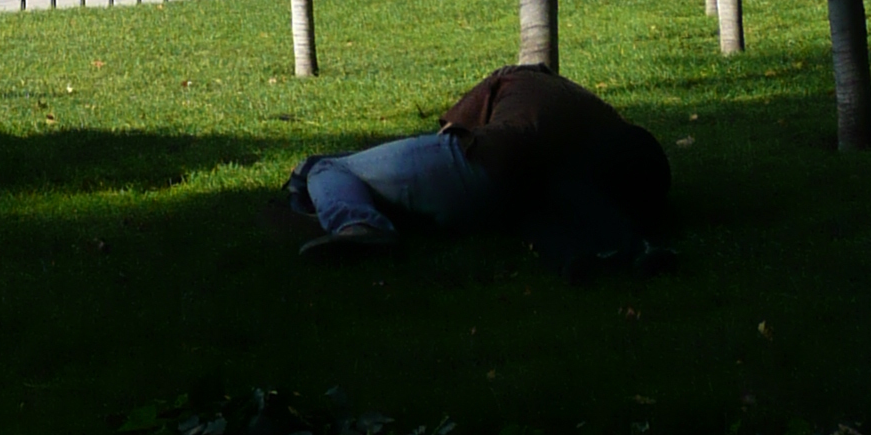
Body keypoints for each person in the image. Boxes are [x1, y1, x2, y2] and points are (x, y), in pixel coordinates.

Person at [285, 64, 674, 278]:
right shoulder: (587, 109)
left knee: (326, 165)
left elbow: (451, 132)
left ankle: (356, 224)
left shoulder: (508, 79)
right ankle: (618, 252)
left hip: (482, 164)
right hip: (549, 184)